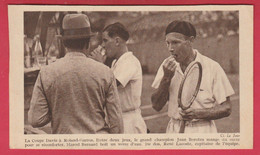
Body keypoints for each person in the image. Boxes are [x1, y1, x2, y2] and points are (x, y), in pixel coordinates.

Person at [28, 14, 123, 134]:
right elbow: (117, 126)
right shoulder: (105, 72)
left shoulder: (46, 73)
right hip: (97, 145)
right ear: (88, 42)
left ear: (64, 43)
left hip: (65, 145)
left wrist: (58, 108)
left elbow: (35, 120)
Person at [151, 20, 235, 133]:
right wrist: (166, 78)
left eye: (176, 42)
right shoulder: (167, 66)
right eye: (168, 43)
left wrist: (198, 114)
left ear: (190, 40)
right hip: (174, 129)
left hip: (203, 130)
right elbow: (156, 106)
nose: (170, 48)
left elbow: (226, 108)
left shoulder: (212, 67)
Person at [89, 22, 147, 133]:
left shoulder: (130, 61)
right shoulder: (116, 62)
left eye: (105, 40)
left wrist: (100, 65)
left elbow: (111, 86)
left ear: (116, 41)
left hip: (129, 121)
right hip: (118, 119)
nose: (103, 45)